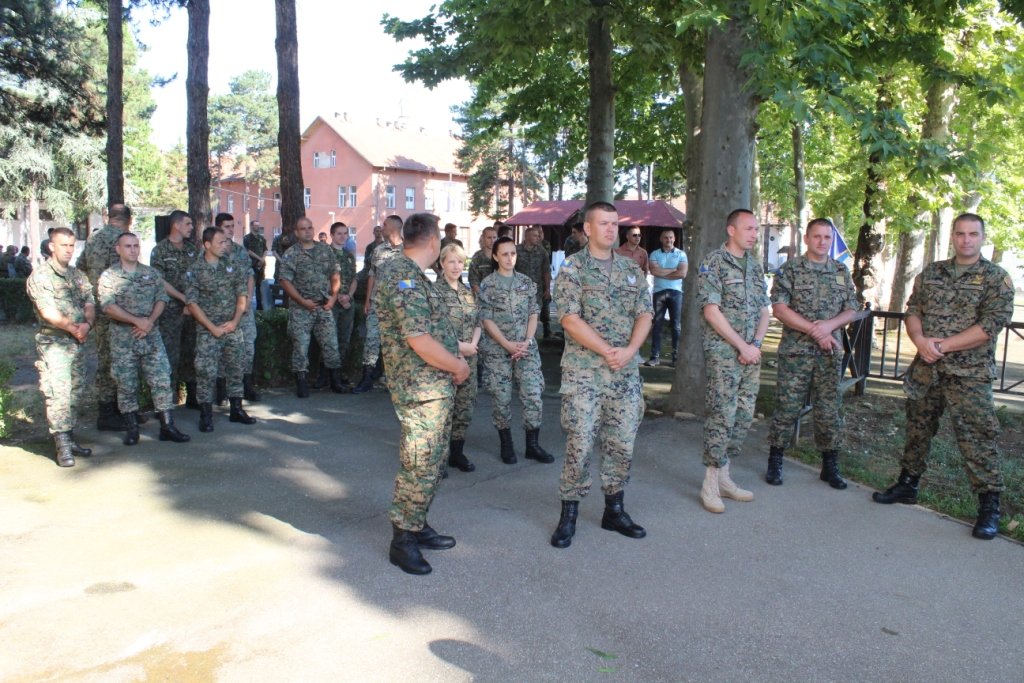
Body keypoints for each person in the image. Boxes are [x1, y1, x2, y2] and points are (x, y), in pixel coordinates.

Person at [873, 213, 1015, 540]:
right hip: (927, 370)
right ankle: (908, 484)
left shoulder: (996, 278)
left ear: (982, 237)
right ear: (953, 236)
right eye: (960, 233)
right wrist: (920, 341)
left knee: (977, 439)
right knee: (917, 429)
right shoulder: (933, 272)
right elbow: (913, 310)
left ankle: (989, 506)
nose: (966, 240)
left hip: (969, 375)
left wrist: (941, 346)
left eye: (973, 234)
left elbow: (990, 325)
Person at [550, 202, 653, 548]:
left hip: (624, 374)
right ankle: (569, 513)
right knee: (579, 444)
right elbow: (569, 318)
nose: (611, 229)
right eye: (604, 223)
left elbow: (645, 313)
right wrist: (607, 350)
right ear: (588, 229)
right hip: (585, 375)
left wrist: (630, 350)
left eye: (615, 224)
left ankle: (614, 509)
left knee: (621, 444)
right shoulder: (573, 269)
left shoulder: (631, 269)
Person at [375, 212, 470, 575]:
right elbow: (419, 340)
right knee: (419, 462)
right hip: (420, 388)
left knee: (431, 462)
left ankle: (417, 524)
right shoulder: (403, 277)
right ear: (433, 241)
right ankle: (402, 540)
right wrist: (458, 366)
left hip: (432, 386)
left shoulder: (415, 275)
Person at [766, 218, 858, 488]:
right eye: (817, 236)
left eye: (827, 237)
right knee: (787, 407)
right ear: (806, 239)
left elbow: (851, 309)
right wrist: (816, 331)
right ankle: (775, 460)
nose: (822, 242)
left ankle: (830, 465)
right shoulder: (790, 270)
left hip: (829, 354)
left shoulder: (841, 270)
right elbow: (779, 309)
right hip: (796, 353)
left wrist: (829, 326)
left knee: (829, 409)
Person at [697, 209, 770, 513]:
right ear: (731, 230)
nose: (754, 234)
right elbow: (711, 311)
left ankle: (725, 478)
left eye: (756, 229)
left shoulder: (754, 265)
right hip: (724, 353)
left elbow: (765, 310)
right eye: (749, 228)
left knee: (743, 415)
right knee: (722, 414)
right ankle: (710, 483)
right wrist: (742, 345)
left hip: (750, 353)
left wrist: (755, 345)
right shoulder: (714, 262)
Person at [97, 232, 190, 446]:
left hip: (151, 335)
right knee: (126, 383)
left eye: (135, 246)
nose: (133, 250)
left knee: (161, 379)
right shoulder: (109, 276)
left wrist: (149, 321)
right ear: (118, 249)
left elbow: (161, 299)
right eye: (128, 246)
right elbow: (108, 306)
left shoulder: (151, 273)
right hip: (124, 338)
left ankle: (167, 426)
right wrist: (137, 321)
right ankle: (132, 429)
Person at [479, 236, 554, 464]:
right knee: (501, 398)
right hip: (497, 350)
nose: (510, 258)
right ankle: (506, 444)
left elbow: (533, 313)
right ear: (495, 256)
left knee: (533, 395)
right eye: (504, 254)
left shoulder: (526, 283)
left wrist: (528, 341)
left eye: (513, 253)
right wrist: (507, 344)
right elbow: (486, 320)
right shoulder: (488, 285)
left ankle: (533, 445)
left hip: (525, 349)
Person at [26, 228, 95, 467]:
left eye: (71, 245)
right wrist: (73, 328)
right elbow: (47, 311)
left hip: (77, 341)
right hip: (54, 342)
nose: (68, 250)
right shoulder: (41, 276)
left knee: (76, 391)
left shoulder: (78, 275)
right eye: (63, 245)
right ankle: (62, 444)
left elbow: (89, 302)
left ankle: (70, 437)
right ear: (51, 247)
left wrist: (87, 324)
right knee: (58, 393)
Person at [185, 226, 257, 432]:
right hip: (208, 330)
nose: (225, 245)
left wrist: (234, 322)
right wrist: (212, 328)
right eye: (221, 242)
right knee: (206, 372)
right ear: (207, 245)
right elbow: (192, 303)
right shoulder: (195, 270)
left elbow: (242, 295)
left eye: (226, 242)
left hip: (232, 327)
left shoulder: (232, 265)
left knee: (236, 368)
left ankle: (237, 409)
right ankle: (206, 415)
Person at [80, 203, 134, 430]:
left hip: (97, 307)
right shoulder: (122, 240)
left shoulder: (93, 238)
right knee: (116, 361)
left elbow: (80, 266)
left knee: (106, 358)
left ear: (109, 217)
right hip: (117, 309)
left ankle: (116, 410)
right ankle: (109, 413)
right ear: (129, 220)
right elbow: (125, 274)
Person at [278, 216, 345, 397]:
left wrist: (333, 298)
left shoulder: (325, 250)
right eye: (303, 229)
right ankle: (301, 382)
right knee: (301, 347)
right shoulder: (292, 253)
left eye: (310, 228)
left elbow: (335, 274)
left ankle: (335, 381)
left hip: (324, 306)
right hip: (301, 308)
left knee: (331, 345)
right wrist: (301, 301)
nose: (307, 231)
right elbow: (284, 281)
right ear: (296, 232)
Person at [436, 242, 481, 474]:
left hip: (469, 359)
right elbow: (433, 331)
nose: (456, 266)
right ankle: (439, 459)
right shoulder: (434, 292)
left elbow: (478, 322)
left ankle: (456, 453)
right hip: (445, 360)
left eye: (460, 262)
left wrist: (472, 345)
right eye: (451, 261)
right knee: (443, 411)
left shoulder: (466, 293)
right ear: (442, 263)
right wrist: (460, 347)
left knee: (464, 408)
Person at [151, 210, 199, 408]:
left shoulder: (192, 249)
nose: (191, 228)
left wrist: (191, 302)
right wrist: (182, 298)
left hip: (192, 311)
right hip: (170, 311)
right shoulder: (160, 250)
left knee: (191, 352)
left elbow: (198, 276)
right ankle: (167, 403)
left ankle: (193, 397)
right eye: (188, 224)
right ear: (176, 225)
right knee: (170, 355)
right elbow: (159, 280)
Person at [353, 215, 405, 394]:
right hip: (377, 304)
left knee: (396, 342)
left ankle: (394, 380)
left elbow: (413, 281)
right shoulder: (378, 250)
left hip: (399, 307)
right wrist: (368, 300)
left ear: (394, 228)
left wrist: (397, 286)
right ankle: (367, 377)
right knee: (372, 340)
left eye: (385, 224)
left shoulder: (409, 251)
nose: (382, 227)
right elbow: (372, 275)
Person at [216, 213, 260, 403]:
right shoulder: (211, 252)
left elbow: (250, 276)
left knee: (248, 346)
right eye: (226, 226)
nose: (231, 230)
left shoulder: (240, 251)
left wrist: (248, 300)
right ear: (218, 228)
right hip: (223, 310)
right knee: (223, 349)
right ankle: (222, 389)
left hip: (243, 309)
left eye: (232, 226)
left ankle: (246, 386)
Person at [645, 228, 687, 367]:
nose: (668, 240)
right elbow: (654, 271)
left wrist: (662, 273)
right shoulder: (655, 254)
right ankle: (654, 357)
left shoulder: (681, 254)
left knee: (676, 326)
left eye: (671, 237)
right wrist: (673, 270)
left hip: (676, 293)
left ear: (674, 239)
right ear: (661, 239)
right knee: (657, 324)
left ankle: (676, 358)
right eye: (666, 237)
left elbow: (682, 273)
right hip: (659, 292)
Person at [330, 221, 359, 386]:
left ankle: (339, 373)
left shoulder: (349, 255)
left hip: (347, 304)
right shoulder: (326, 254)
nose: (343, 236)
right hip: (332, 303)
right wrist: (339, 296)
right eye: (339, 233)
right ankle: (325, 375)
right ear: (332, 235)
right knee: (329, 339)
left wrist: (348, 296)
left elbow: (354, 278)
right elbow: (324, 279)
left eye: (345, 233)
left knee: (344, 339)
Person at [515, 226, 553, 338]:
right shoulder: (516, 250)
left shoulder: (542, 252)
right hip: (519, 290)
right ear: (527, 236)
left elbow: (546, 271)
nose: (538, 237)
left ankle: (531, 339)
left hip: (536, 291)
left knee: (534, 316)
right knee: (519, 315)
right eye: (535, 236)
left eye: (538, 235)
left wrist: (547, 289)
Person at [243, 221, 267, 310]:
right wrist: (259, 258)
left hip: (261, 266)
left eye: (258, 225)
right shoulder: (247, 238)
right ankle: (247, 306)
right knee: (250, 286)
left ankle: (259, 307)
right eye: (256, 225)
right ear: (251, 226)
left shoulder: (261, 238)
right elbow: (248, 251)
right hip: (252, 265)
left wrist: (263, 259)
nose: (258, 227)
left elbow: (265, 250)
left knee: (260, 286)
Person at [468, 226, 497, 297]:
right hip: (482, 298)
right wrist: (484, 298)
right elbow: (473, 282)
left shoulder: (501, 255)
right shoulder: (477, 257)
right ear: (483, 239)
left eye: (494, 237)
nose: (492, 241)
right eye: (489, 238)